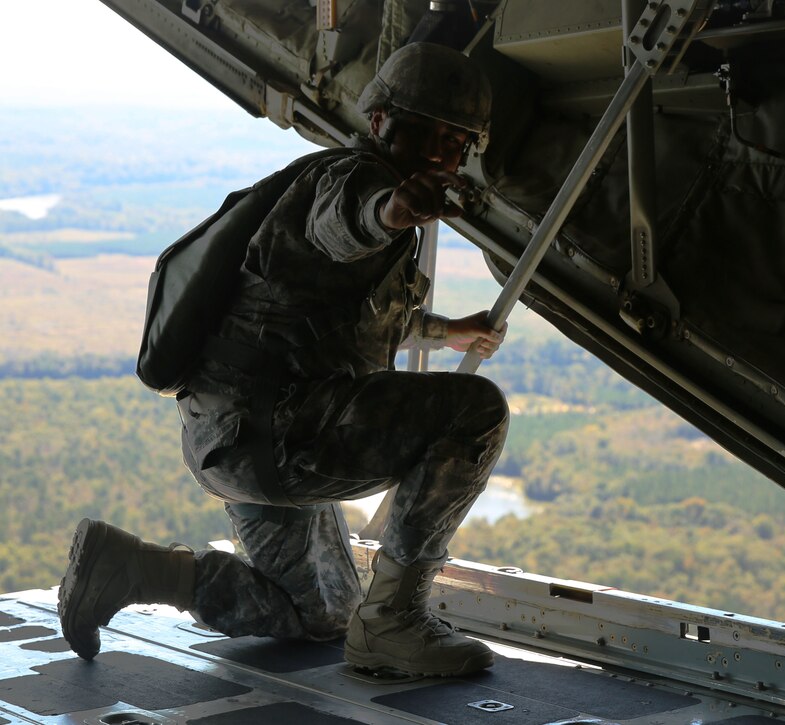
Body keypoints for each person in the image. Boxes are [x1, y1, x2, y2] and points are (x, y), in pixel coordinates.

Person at [58, 42, 509, 678]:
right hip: (281, 433)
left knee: (320, 613)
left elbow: (342, 319)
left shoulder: (312, 184)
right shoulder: (348, 182)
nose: (441, 152)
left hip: (235, 435)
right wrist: (391, 212)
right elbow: (347, 221)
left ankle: (131, 567)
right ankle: (394, 623)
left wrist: (445, 330)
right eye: (427, 132)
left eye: (456, 142)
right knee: (476, 411)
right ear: (380, 122)